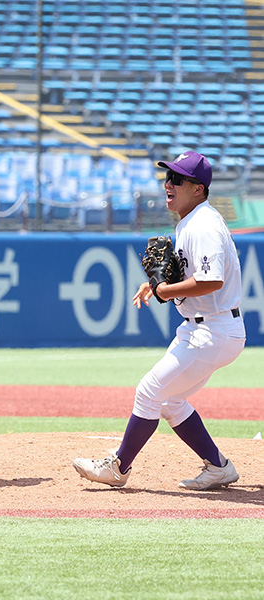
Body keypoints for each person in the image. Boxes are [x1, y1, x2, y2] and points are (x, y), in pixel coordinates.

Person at [73, 151, 245, 490]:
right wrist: (157, 285)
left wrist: (164, 291)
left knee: (148, 391)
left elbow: (212, 281)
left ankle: (118, 467)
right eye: (168, 177)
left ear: (198, 188)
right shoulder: (193, 221)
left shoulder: (203, 225)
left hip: (212, 329)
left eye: (177, 179)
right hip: (206, 327)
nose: (169, 184)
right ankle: (219, 466)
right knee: (169, 401)